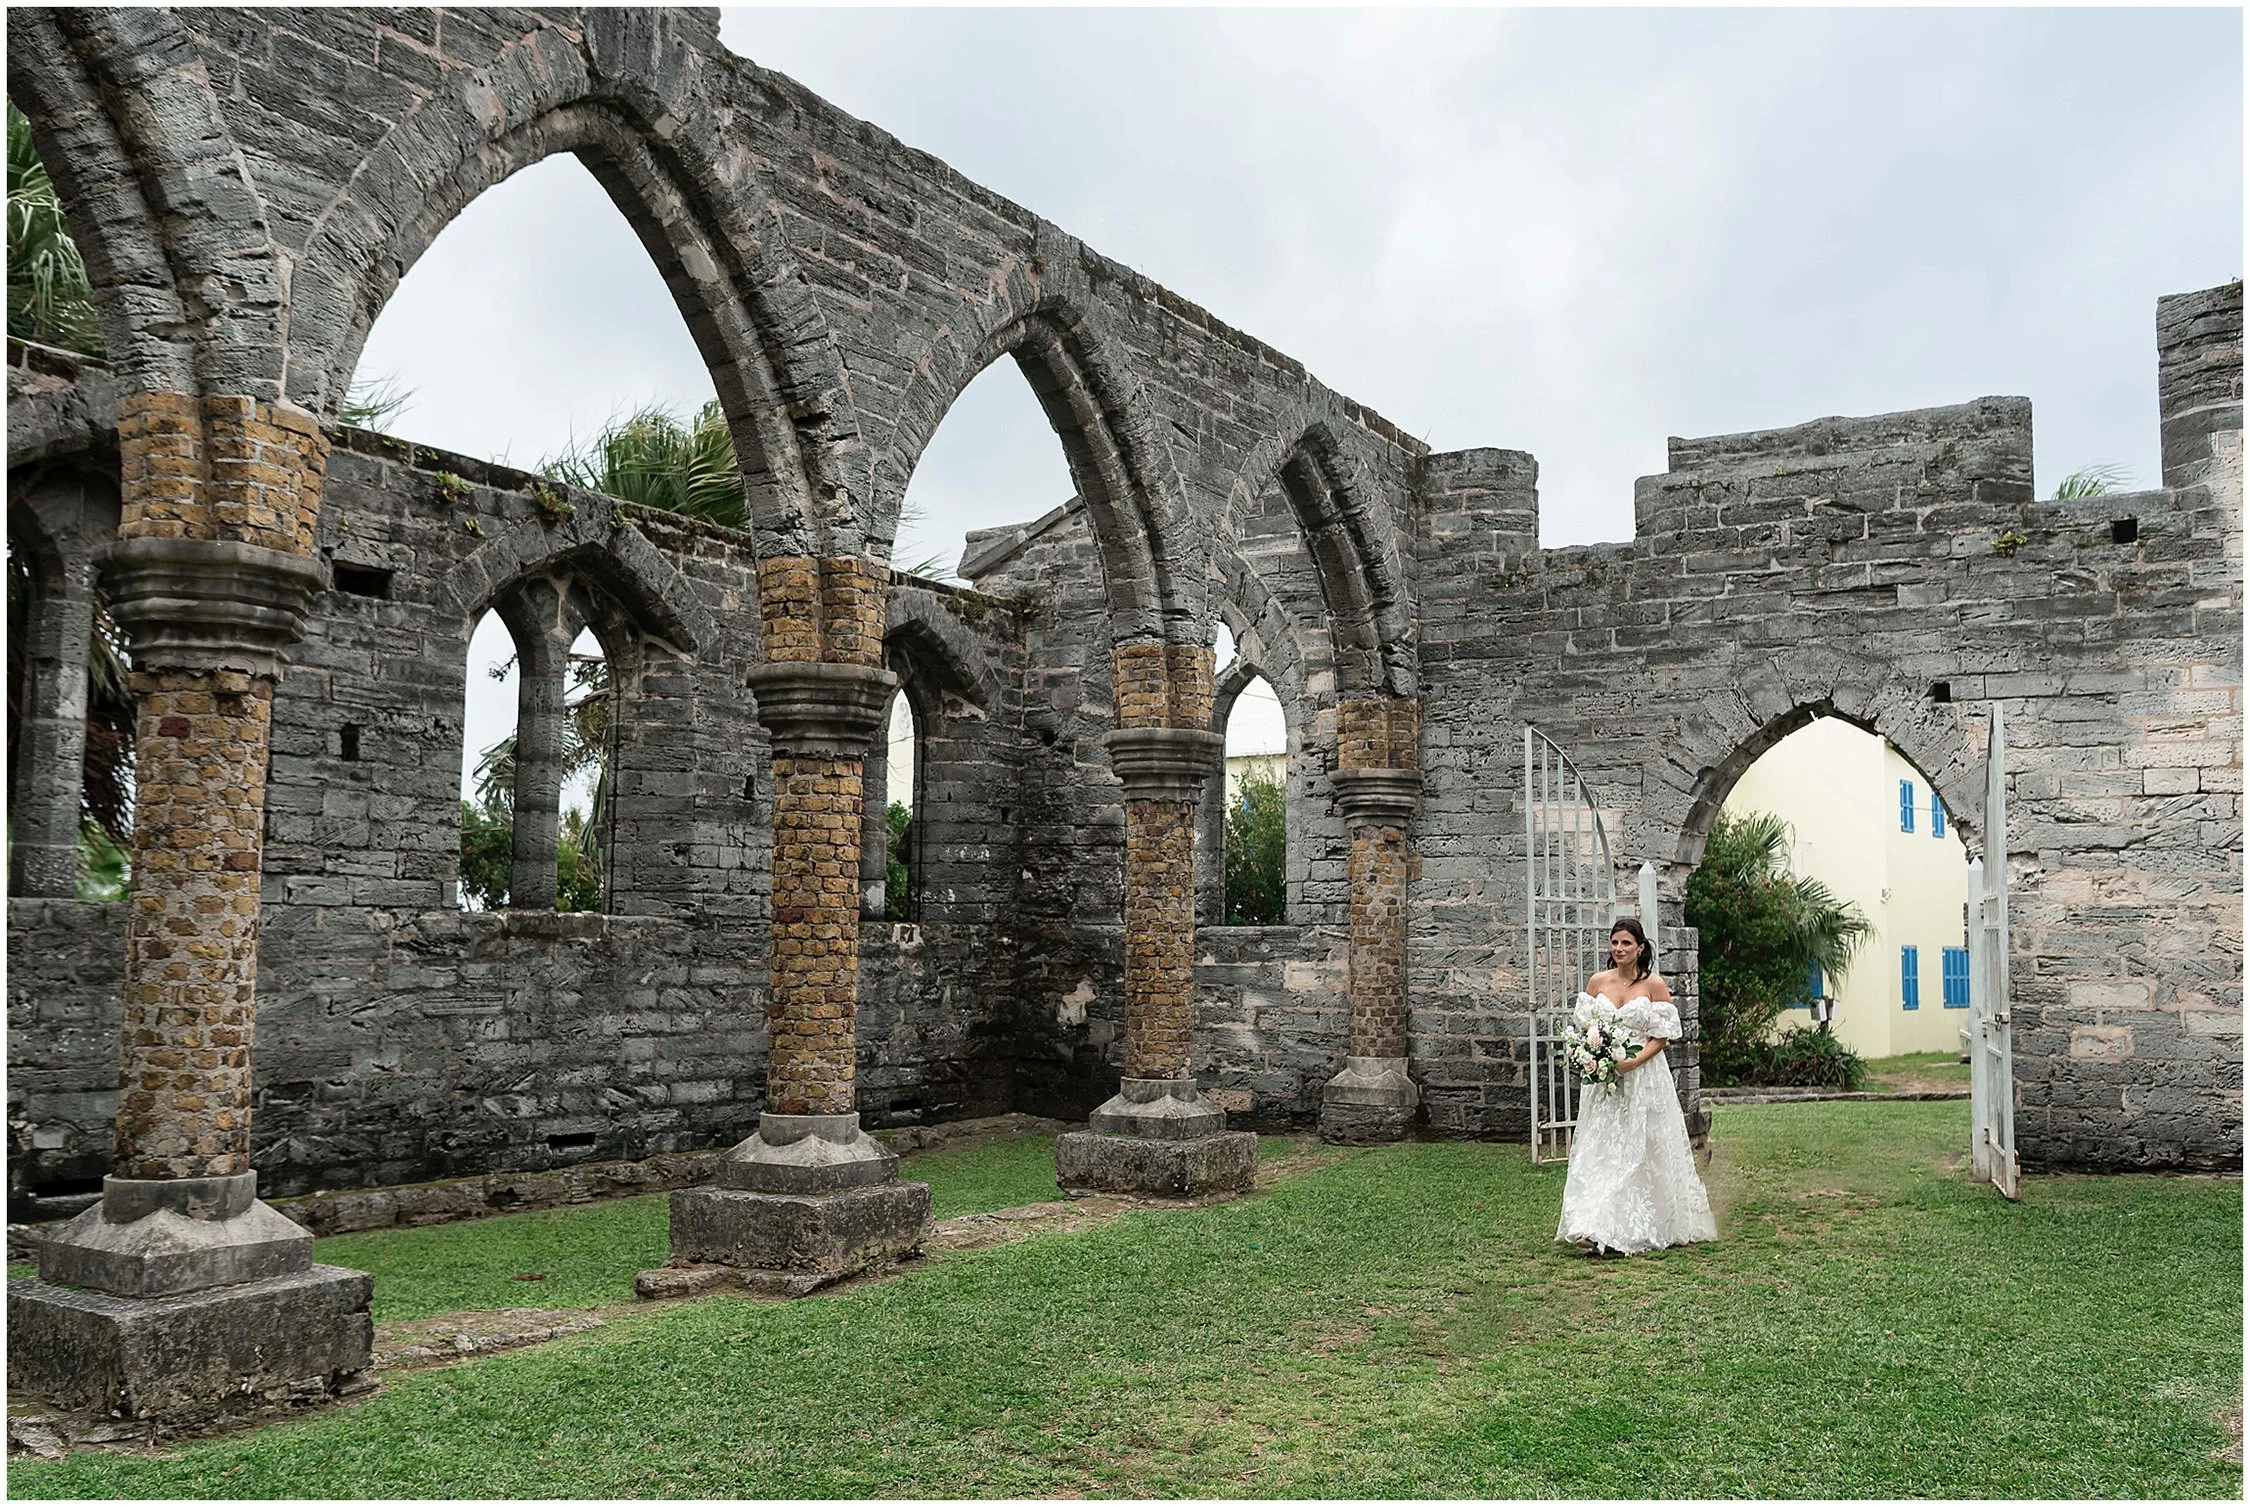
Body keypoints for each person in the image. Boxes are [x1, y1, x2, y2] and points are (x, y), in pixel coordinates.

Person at [1555, 916, 1718, 1256]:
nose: (1619, 949)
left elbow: (1663, 1037)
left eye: (1626, 943)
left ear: (1640, 948)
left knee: (1639, 1148)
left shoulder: (1653, 985)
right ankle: (1591, 1222)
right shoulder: (1597, 982)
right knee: (1602, 1149)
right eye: (1614, 943)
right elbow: (1585, 1030)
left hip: (1643, 1075)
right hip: (1605, 1082)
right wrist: (1591, 1056)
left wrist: (1633, 1061)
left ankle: (1632, 1226)